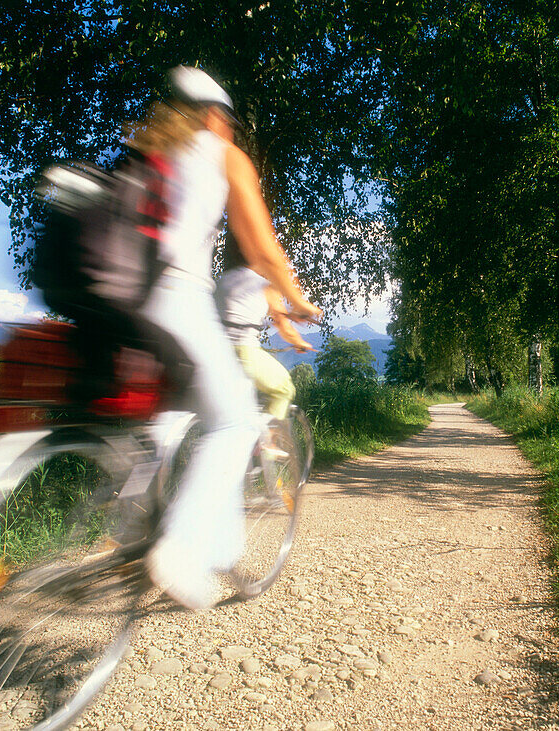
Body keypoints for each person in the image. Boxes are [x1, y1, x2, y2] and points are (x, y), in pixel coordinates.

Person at [129, 66, 320, 609]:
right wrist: (296, 298)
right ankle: (181, 551)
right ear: (216, 116)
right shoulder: (223, 154)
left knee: (174, 414)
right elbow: (261, 248)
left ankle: (136, 517)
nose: (232, 133)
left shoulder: (142, 148)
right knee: (237, 419)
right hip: (174, 295)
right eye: (230, 123)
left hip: (120, 299)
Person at [215, 236, 314, 423]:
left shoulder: (221, 281)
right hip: (244, 353)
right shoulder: (265, 286)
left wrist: (288, 315)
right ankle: (268, 448)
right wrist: (300, 343)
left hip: (215, 353)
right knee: (284, 389)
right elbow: (285, 328)